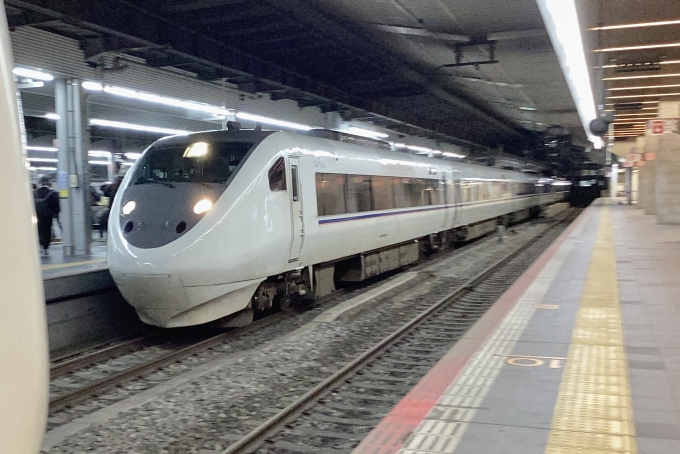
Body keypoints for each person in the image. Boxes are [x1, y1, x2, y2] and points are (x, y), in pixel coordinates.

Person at [34, 176, 60, 256]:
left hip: (36, 215)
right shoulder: (53, 193)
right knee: (47, 230)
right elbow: (57, 205)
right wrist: (55, 214)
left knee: (38, 230)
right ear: (49, 183)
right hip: (48, 216)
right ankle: (45, 247)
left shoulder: (34, 193)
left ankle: (39, 245)